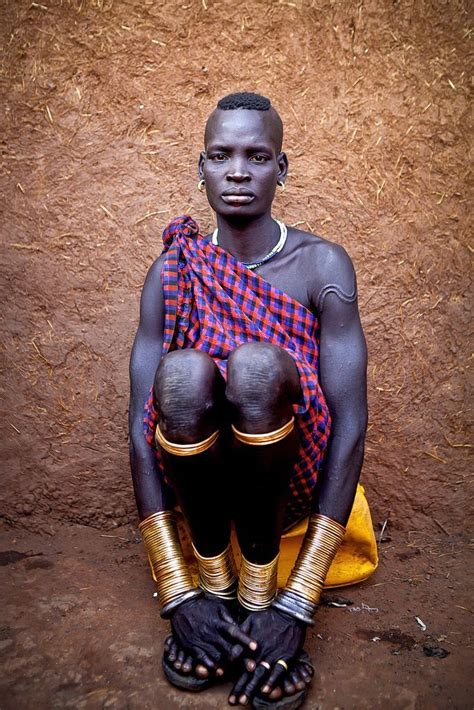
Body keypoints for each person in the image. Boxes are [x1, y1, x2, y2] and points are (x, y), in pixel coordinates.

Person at [129, 92, 368, 708]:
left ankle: (264, 596)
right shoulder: (175, 269)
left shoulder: (322, 267)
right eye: (221, 155)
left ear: (282, 169)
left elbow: (349, 425)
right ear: (201, 166)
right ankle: (214, 587)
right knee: (181, 376)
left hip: (291, 487)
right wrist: (178, 593)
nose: (238, 170)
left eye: (257, 156)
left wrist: (298, 601)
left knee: (257, 368)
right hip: (200, 495)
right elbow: (139, 422)